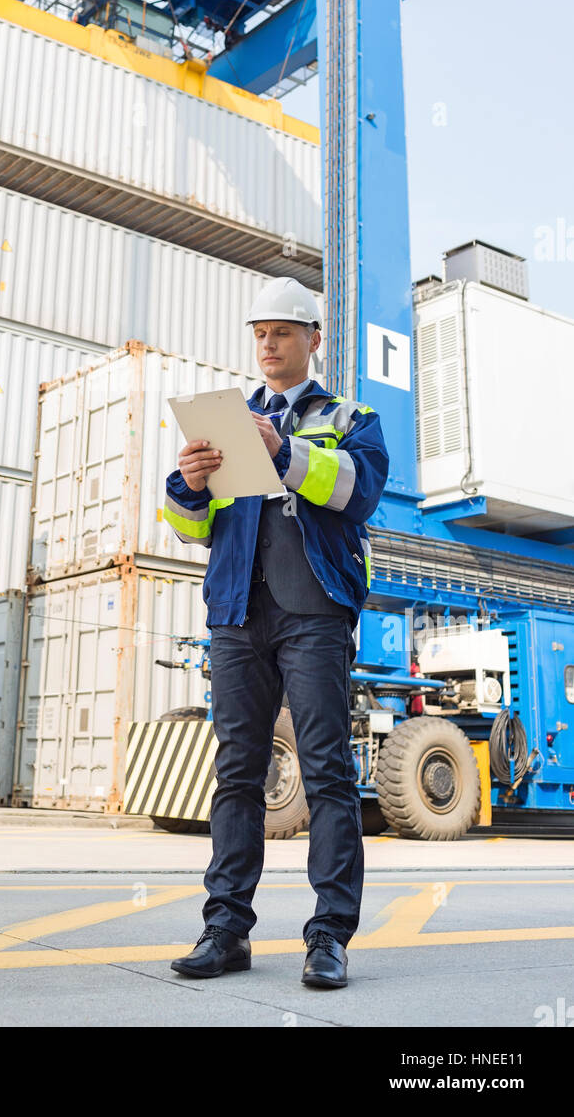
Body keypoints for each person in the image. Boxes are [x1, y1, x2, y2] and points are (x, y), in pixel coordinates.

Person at [162, 277, 389, 988]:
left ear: (313, 340)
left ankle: (328, 937)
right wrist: (187, 485)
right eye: (260, 332)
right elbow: (198, 530)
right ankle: (225, 930)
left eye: (284, 332)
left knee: (325, 774)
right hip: (236, 612)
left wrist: (285, 452)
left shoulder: (352, 416)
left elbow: (359, 493)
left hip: (313, 611)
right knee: (236, 775)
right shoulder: (225, 419)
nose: (269, 343)